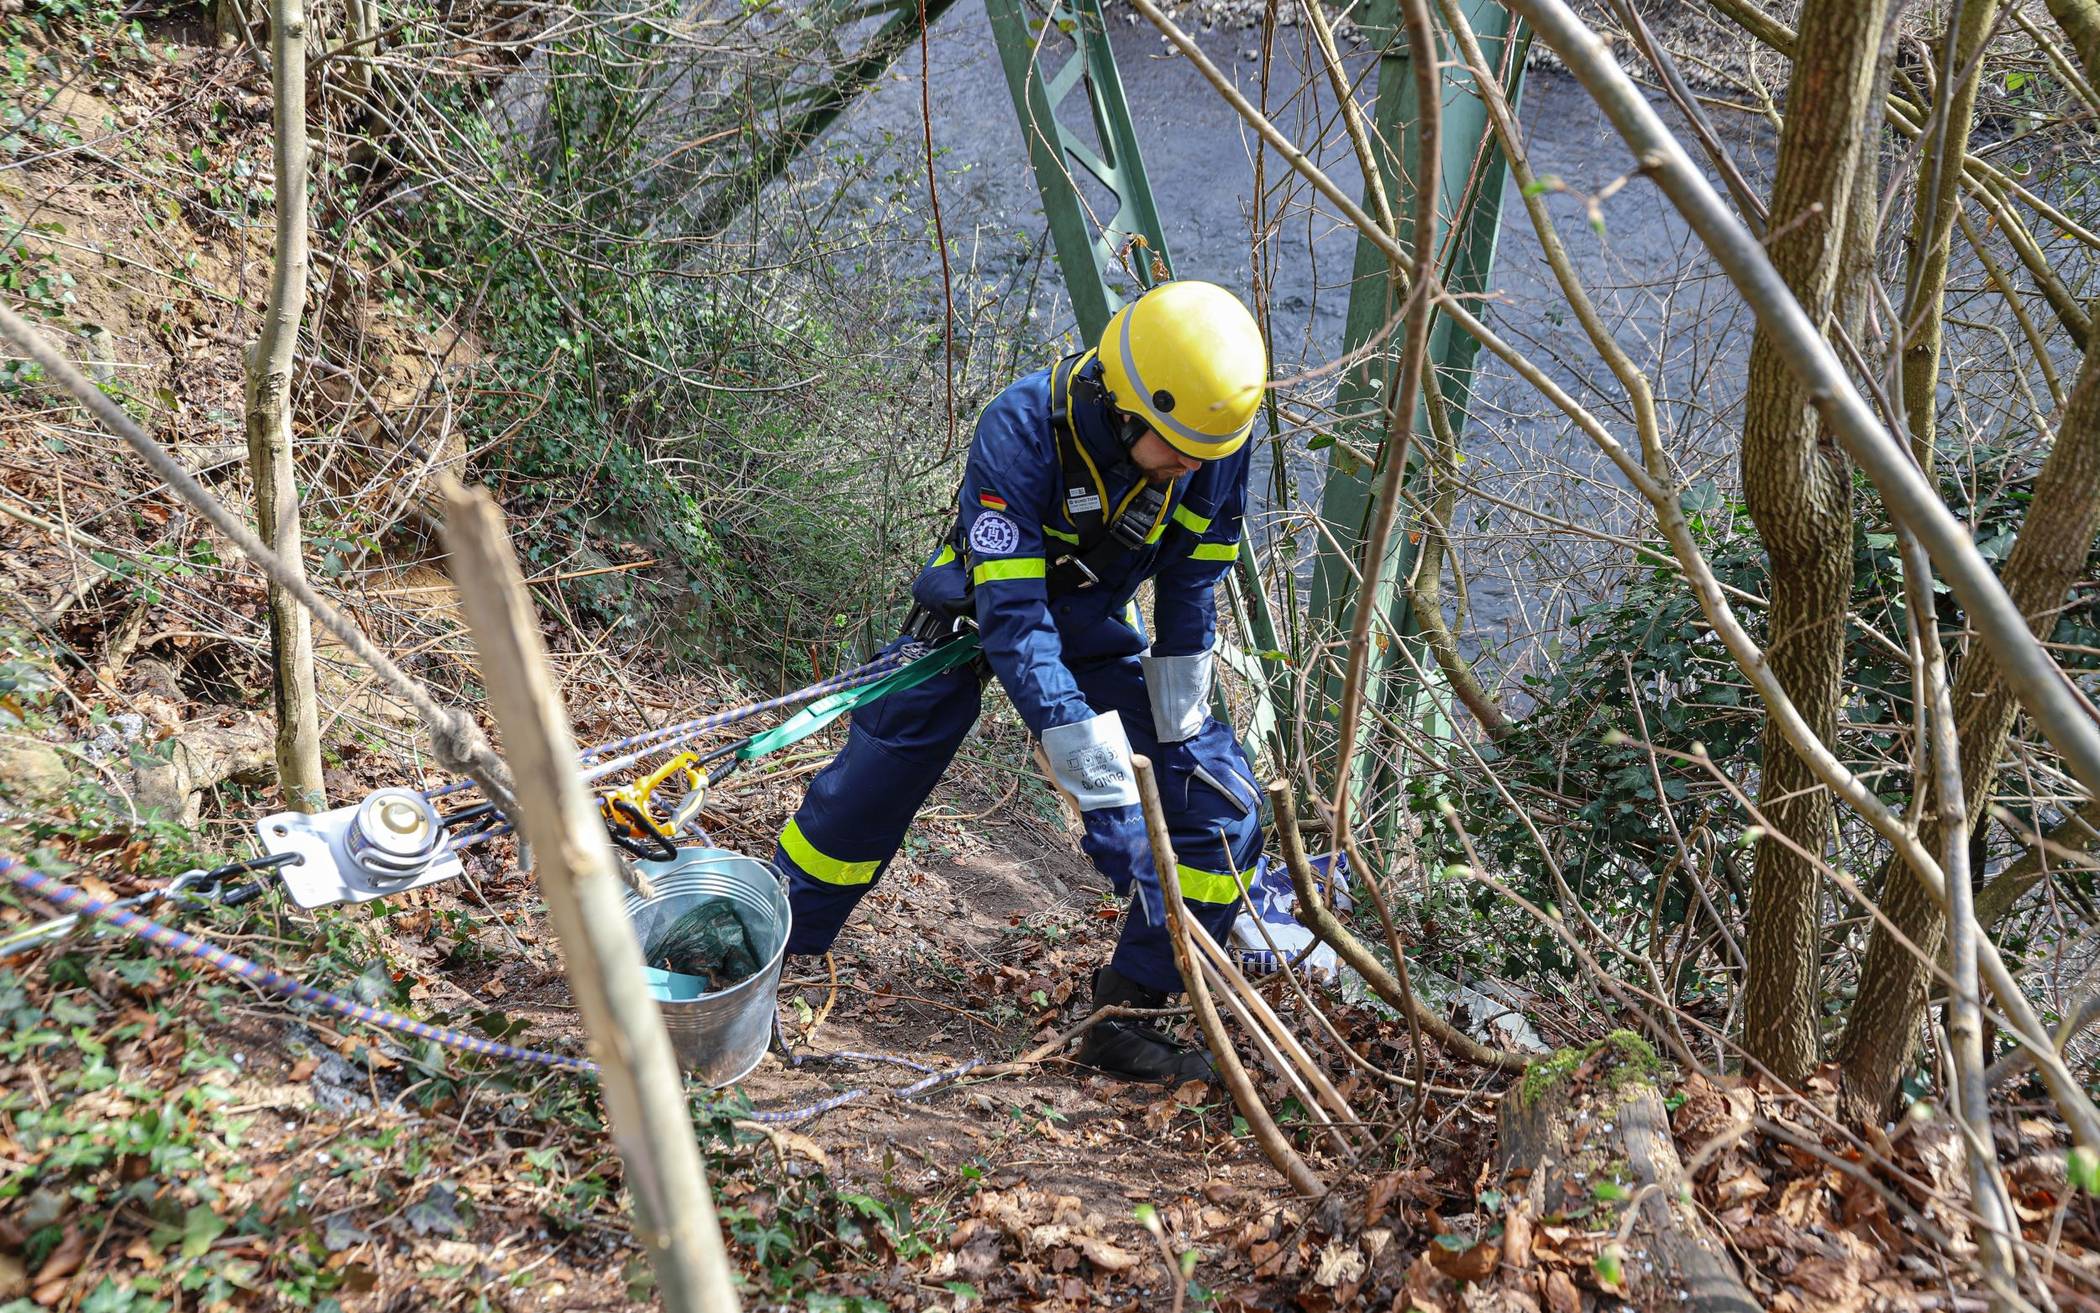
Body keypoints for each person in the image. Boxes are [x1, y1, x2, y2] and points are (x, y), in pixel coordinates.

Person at [770, 279, 1267, 1082]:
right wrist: (1105, 794)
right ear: (1128, 409)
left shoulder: (1208, 438)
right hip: (979, 614)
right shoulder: (1024, 426)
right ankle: (761, 948)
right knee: (870, 786)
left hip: (1093, 625)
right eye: (1178, 450)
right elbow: (1016, 623)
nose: (1190, 469)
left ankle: (1129, 1013)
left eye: (1204, 455)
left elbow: (1192, 586)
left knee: (1220, 802)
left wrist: (1179, 735)